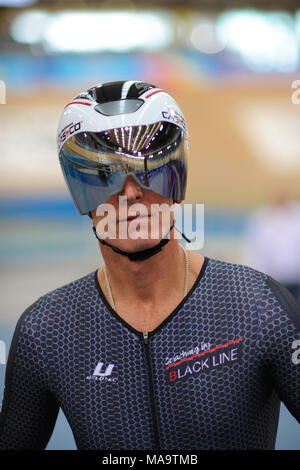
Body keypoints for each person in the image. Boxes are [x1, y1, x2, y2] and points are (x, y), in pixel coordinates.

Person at [0, 80, 299, 451]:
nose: (129, 193)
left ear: (177, 178)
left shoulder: (258, 306)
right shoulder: (46, 332)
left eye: (148, 168)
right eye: (103, 175)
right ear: (80, 192)